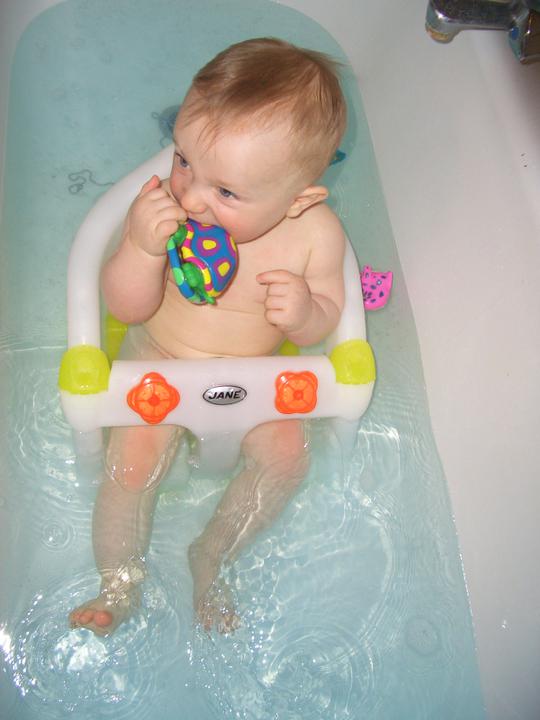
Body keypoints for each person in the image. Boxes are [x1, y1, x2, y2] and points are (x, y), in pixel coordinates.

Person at [69, 37, 347, 636]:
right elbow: (124, 306)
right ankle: (118, 583)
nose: (191, 196)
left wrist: (305, 312)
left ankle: (213, 553)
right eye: (184, 160)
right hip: (161, 363)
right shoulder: (162, 211)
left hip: (257, 378)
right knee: (130, 470)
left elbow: (327, 316)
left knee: (289, 461)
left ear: (298, 200)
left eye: (225, 192)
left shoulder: (316, 234)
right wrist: (143, 250)